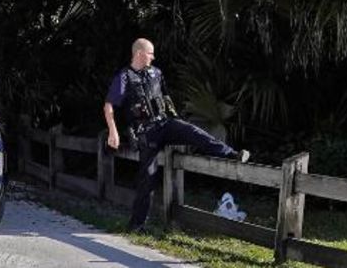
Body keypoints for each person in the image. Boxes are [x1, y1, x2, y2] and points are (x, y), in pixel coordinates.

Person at [103, 38, 250, 232]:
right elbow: (109, 105)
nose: (153, 57)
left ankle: (232, 154)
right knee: (147, 178)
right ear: (139, 53)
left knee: (194, 132)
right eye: (150, 53)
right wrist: (113, 131)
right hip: (146, 132)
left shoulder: (156, 73)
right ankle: (136, 226)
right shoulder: (124, 77)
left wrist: (174, 117)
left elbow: (165, 97)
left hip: (166, 123)